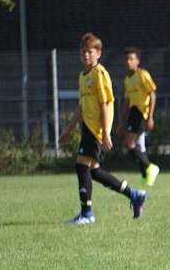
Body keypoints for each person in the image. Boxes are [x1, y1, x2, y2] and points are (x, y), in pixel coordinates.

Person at [59, 33, 147, 225]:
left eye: (90, 51)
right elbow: (82, 106)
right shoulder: (83, 76)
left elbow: (106, 104)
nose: (86, 55)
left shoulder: (99, 74)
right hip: (88, 127)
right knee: (93, 171)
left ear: (98, 53)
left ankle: (87, 214)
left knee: (81, 165)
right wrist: (68, 129)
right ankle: (134, 195)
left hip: (96, 129)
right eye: (83, 51)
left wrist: (106, 132)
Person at [118, 47, 161, 186]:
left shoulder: (142, 75)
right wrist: (121, 121)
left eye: (131, 59)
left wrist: (150, 116)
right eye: (126, 59)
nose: (128, 62)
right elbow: (127, 101)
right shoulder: (127, 79)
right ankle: (145, 175)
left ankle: (149, 167)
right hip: (133, 112)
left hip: (141, 113)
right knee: (138, 146)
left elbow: (152, 94)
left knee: (128, 143)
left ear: (137, 61)